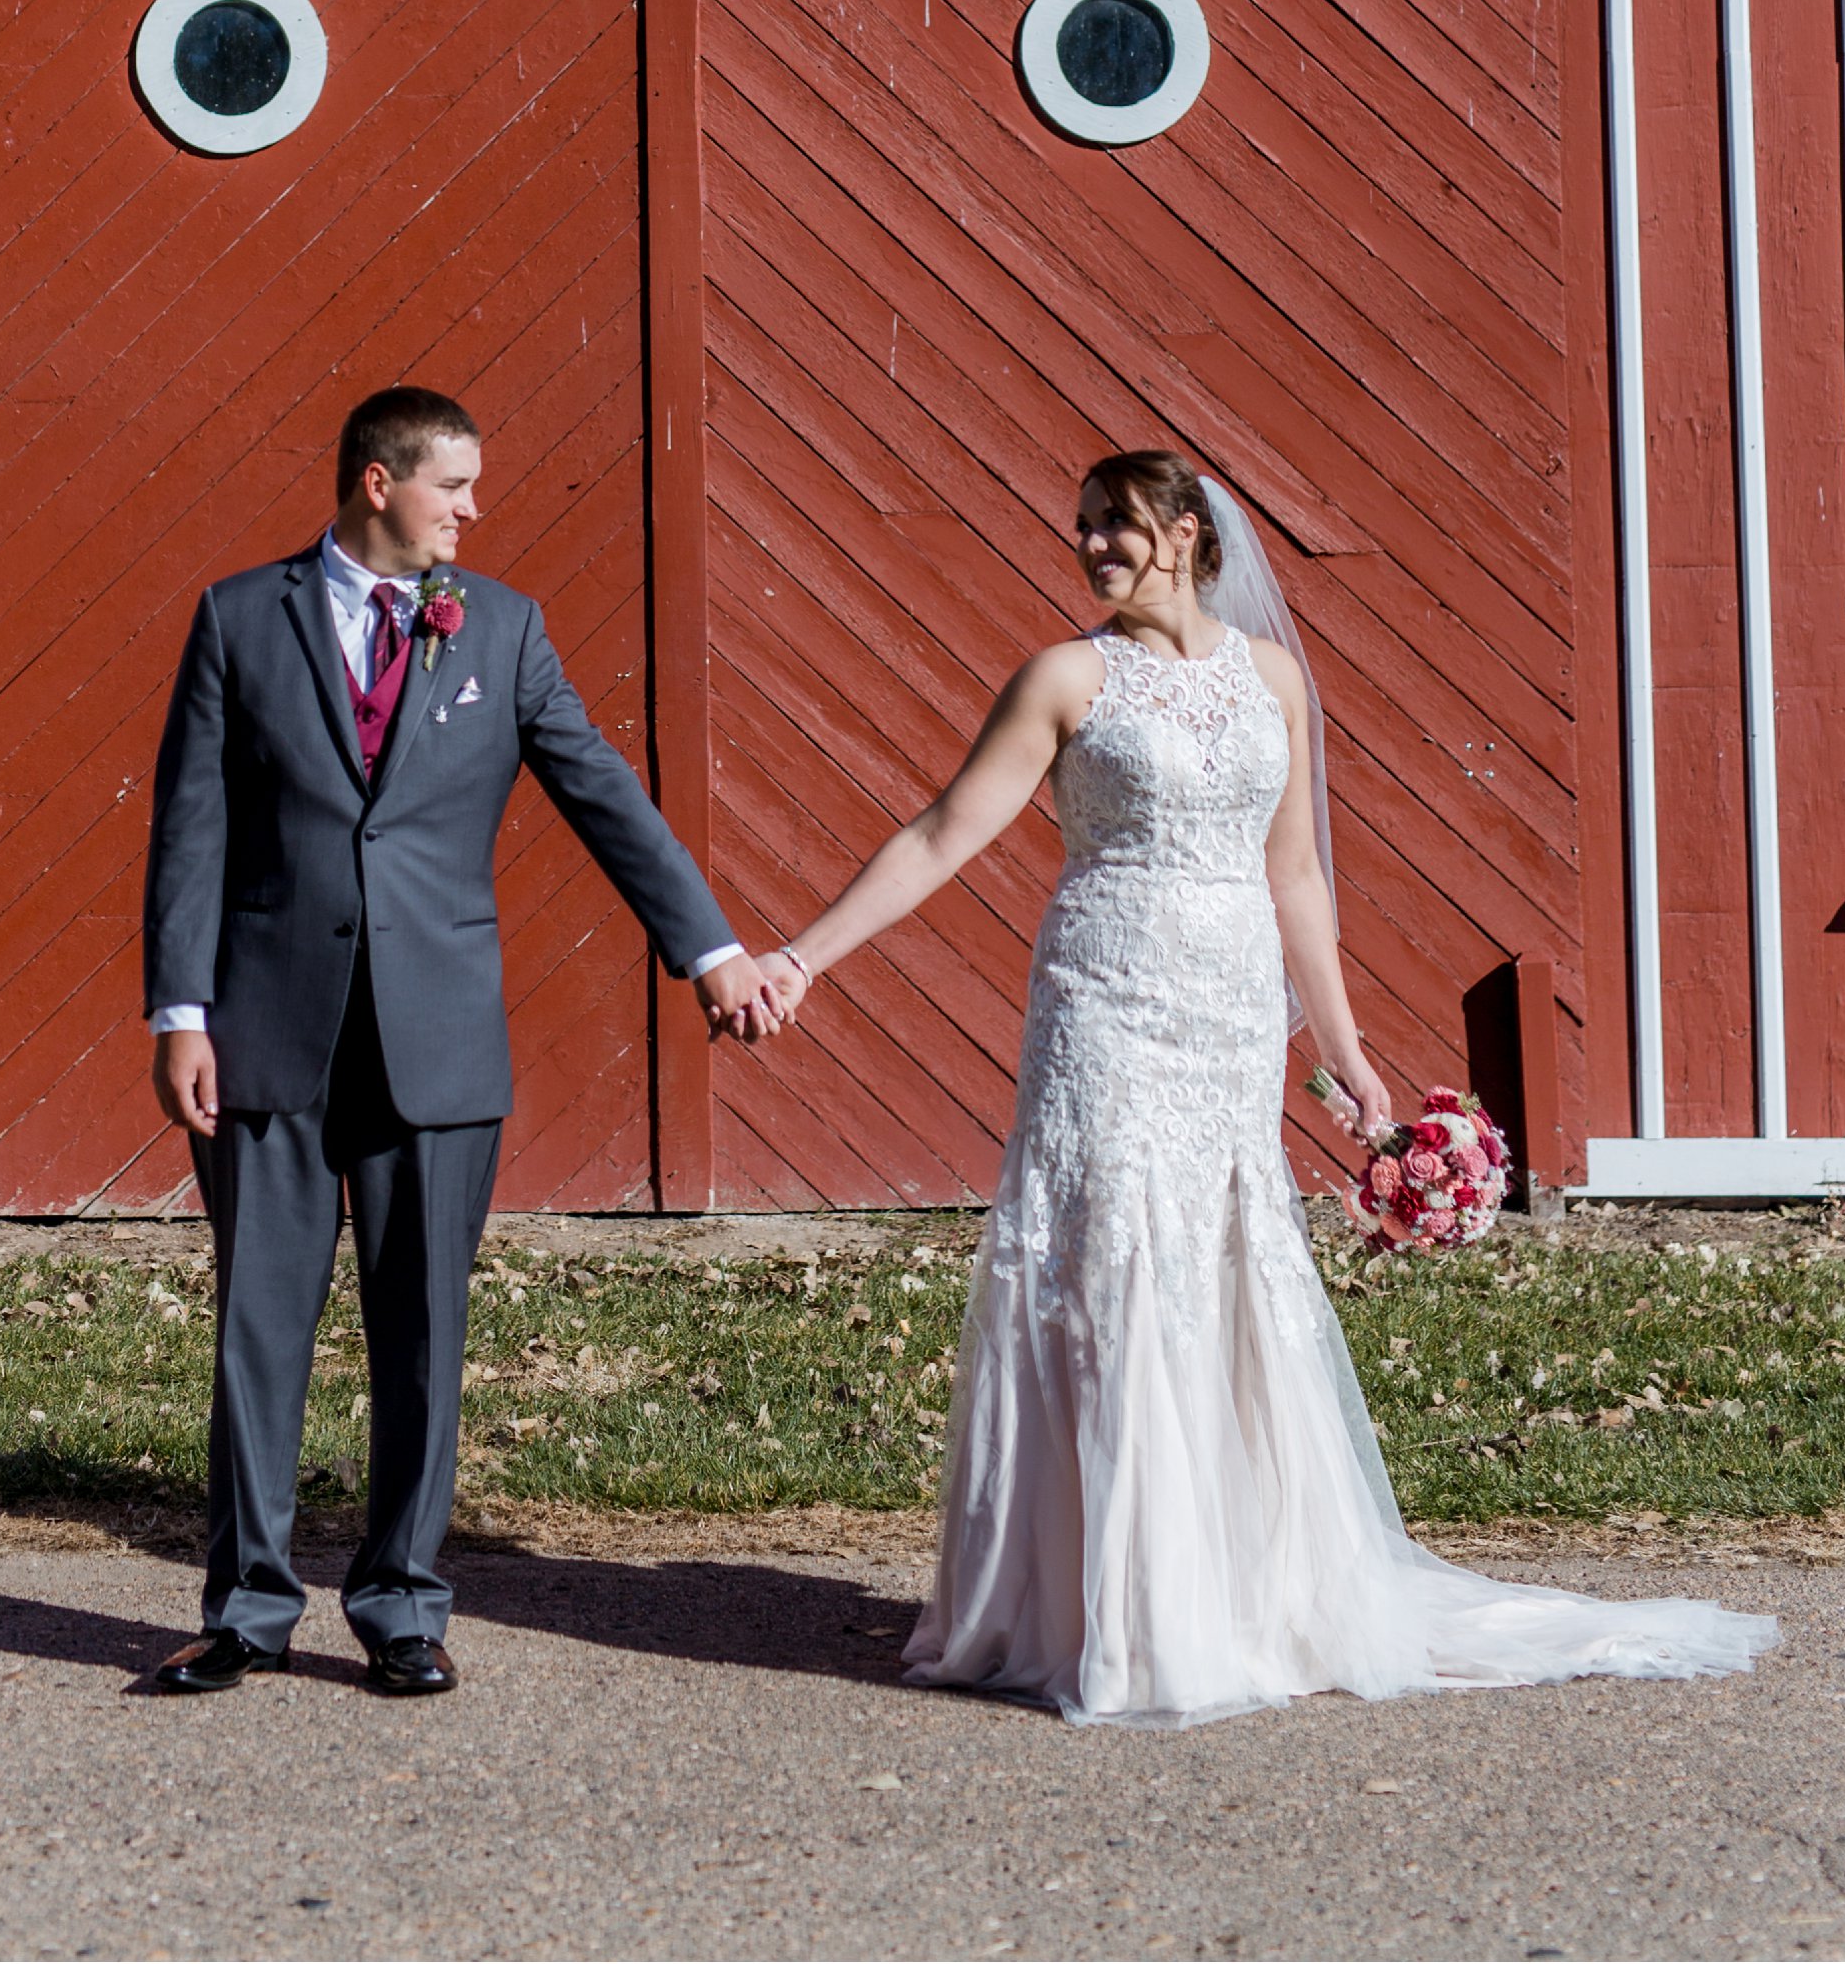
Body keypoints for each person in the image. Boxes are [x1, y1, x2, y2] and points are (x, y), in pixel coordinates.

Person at [750, 449, 1776, 1727]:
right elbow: (940, 831)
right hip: (1107, 1005)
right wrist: (802, 958)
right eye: (1081, 531)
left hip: (1229, 1016)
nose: (1091, 550)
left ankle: (1239, 1590)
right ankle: (1109, 1611)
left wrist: (1341, 1052)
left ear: (1186, 533)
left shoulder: (1273, 681)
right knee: (1114, 1266)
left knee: (1224, 1268)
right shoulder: (1066, 677)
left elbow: (1294, 877)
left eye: (1114, 527)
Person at [142, 384, 775, 1698]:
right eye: (453, 487)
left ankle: (401, 1605)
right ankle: (250, 1608)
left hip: (434, 1040)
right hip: (265, 1027)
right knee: (259, 1328)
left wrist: (708, 950)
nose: (474, 511)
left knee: (420, 1329)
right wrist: (180, 1012)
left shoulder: (502, 629)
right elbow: (189, 829)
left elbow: (598, 787)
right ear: (377, 483)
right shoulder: (236, 618)